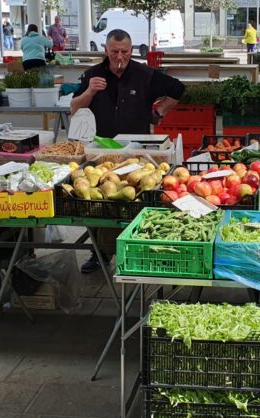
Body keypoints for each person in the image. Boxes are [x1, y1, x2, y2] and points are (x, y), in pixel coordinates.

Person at [70, 29, 185, 273]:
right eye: (114, 52)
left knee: (135, 201)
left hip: (138, 154)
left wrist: (158, 113)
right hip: (101, 153)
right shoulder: (93, 74)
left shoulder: (144, 74)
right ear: (106, 50)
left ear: (131, 50)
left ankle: (135, 249)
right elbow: (74, 109)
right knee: (100, 202)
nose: (119, 56)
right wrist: (90, 91)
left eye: (124, 51)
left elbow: (177, 89)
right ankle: (100, 254)